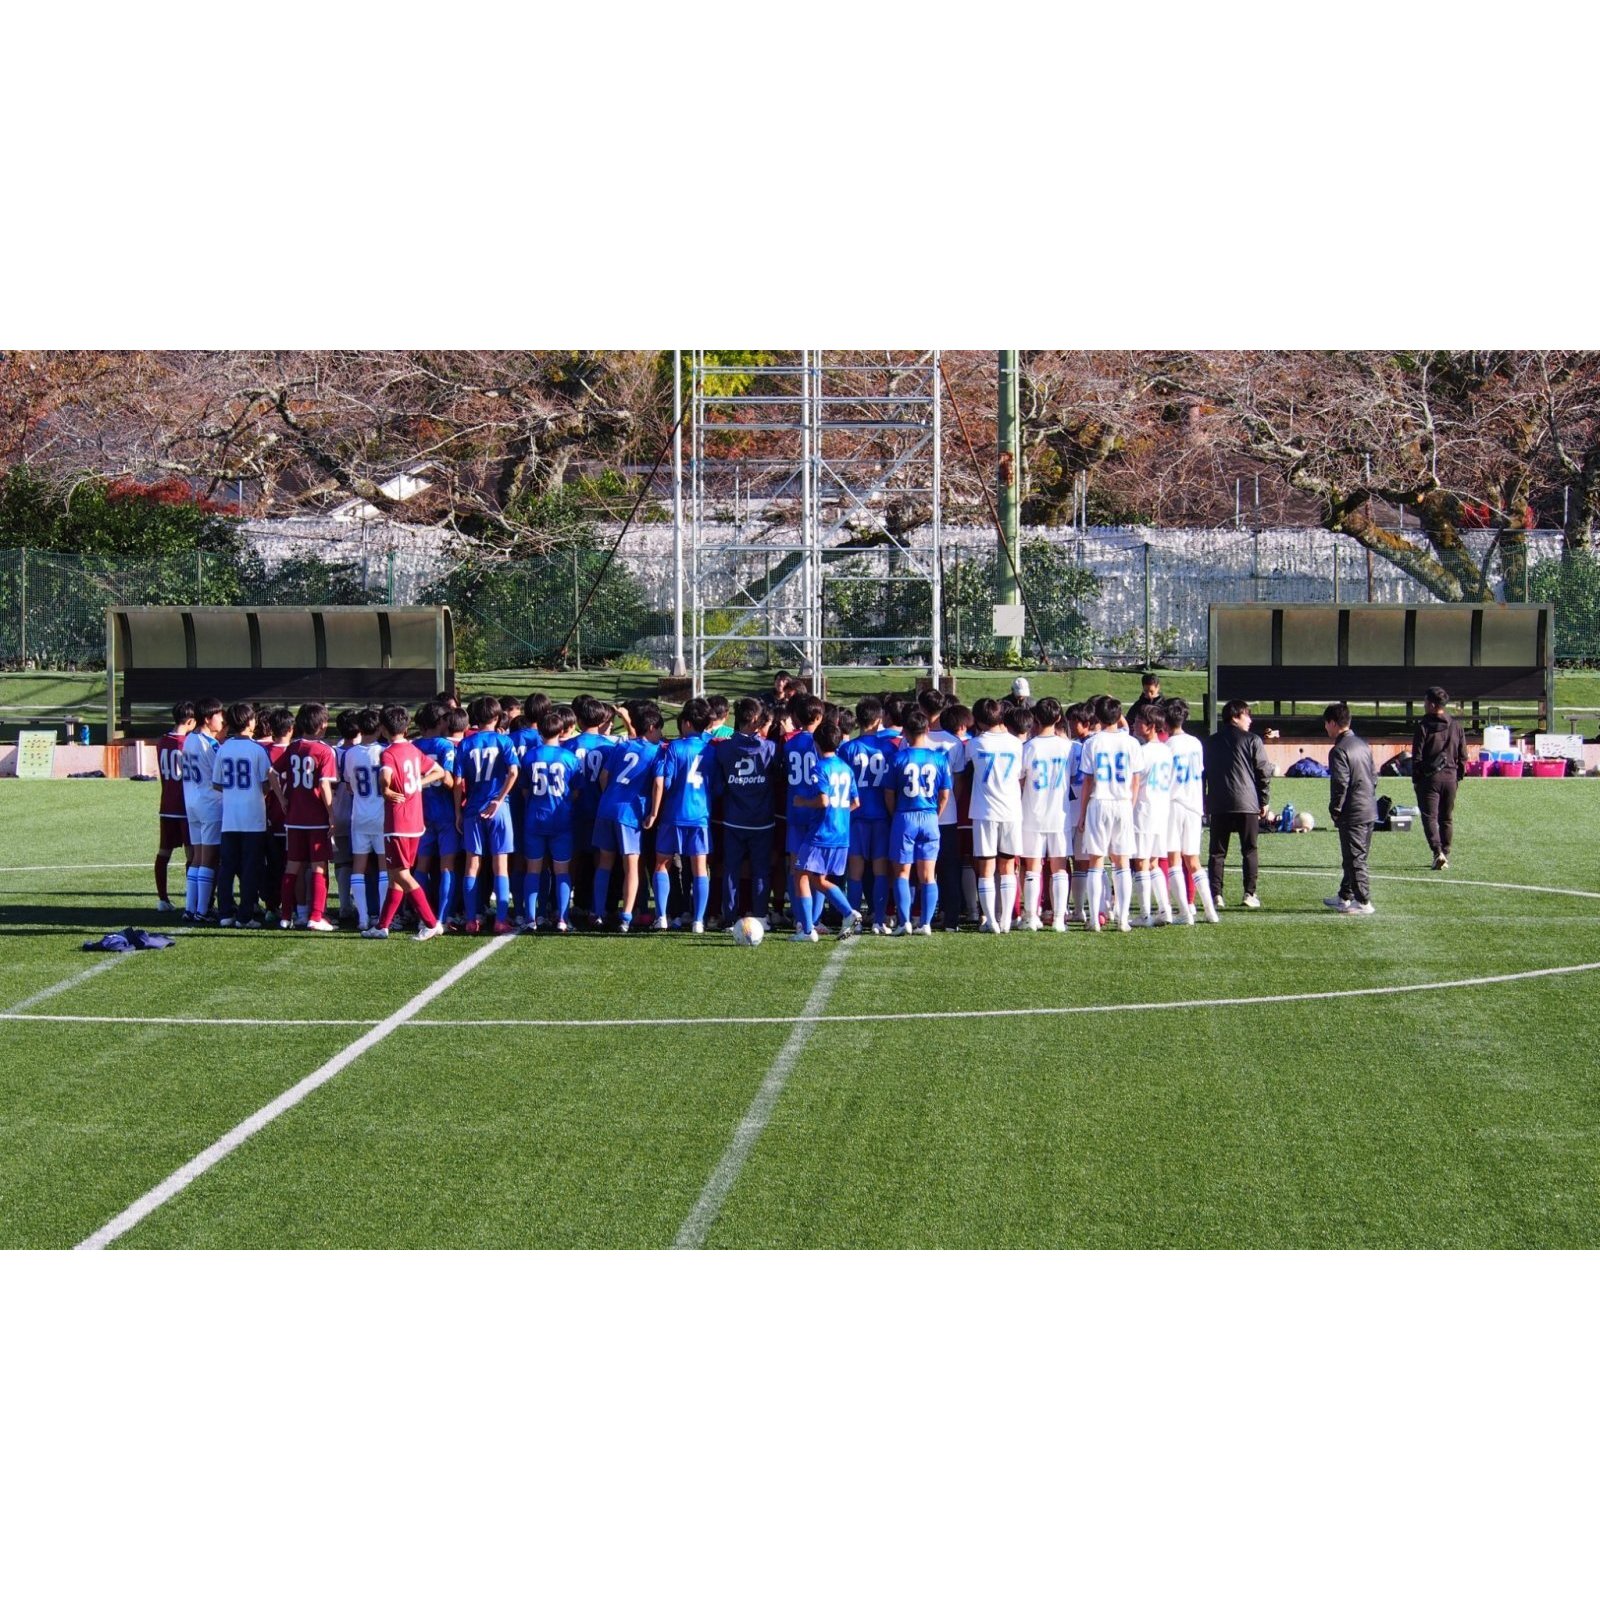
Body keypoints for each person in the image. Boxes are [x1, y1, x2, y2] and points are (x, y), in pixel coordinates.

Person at [365, 703, 449, 940]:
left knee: (402, 875)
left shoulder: (389, 752)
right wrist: (419, 783)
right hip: (414, 821)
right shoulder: (413, 749)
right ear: (406, 726)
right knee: (396, 876)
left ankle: (431, 922)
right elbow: (439, 771)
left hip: (398, 822)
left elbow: (386, 776)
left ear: (383, 728)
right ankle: (382, 926)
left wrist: (386, 789)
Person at [590, 704, 665, 932]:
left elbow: (604, 776)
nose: (661, 734)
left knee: (604, 862)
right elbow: (658, 784)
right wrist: (653, 813)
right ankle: (626, 917)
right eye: (659, 729)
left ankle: (597, 912)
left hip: (606, 808)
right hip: (629, 813)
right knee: (631, 865)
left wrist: (609, 796)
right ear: (651, 728)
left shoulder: (622, 746)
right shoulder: (655, 752)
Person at [707, 696, 779, 926]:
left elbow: (718, 785)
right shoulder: (771, 748)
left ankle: (730, 918)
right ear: (755, 719)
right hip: (762, 820)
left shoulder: (723, 749)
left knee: (731, 870)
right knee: (760, 871)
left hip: (734, 819)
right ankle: (760, 915)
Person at [788, 718, 861, 942]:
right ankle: (849, 913)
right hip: (841, 833)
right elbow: (856, 802)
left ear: (817, 744)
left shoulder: (820, 768)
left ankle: (807, 930)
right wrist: (840, 814)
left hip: (821, 832)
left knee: (800, 874)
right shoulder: (846, 768)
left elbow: (823, 801)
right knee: (819, 880)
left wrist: (802, 802)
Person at [1076, 696, 1144, 932]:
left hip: (1099, 802)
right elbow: (1136, 781)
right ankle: (1123, 919)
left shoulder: (1092, 743)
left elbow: (1088, 781)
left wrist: (1082, 813)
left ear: (1097, 716)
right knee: (1122, 862)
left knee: (1096, 862)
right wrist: (1130, 806)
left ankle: (1094, 919)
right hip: (1122, 803)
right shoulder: (1132, 743)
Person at [885, 708, 952, 935]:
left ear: (905, 731)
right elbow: (945, 794)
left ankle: (904, 922)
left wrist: (896, 814)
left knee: (902, 873)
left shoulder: (898, 758)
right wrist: (935, 814)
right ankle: (926, 923)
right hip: (930, 816)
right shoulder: (939, 759)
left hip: (905, 816)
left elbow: (889, 794)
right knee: (928, 875)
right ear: (927, 730)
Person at [456, 695, 520, 933]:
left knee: (472, 864)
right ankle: (501, 919)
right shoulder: (503, 741)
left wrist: (458, 811)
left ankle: (471, 919)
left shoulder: (465, 743)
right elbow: (513, 772)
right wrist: (499, 799)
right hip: (498, 809)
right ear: (496, 716)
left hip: (473, 808)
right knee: (500, 864)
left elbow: (457, 781)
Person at [520, 708, 585, 932]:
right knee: (562, 871)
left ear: (539, 730)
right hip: (561, 819)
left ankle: (530, 918)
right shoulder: (569, 758)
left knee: (533, 870)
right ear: (561, 731)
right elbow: (576, 791)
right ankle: (563, 919)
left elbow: (525, 790)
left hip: (535, 818)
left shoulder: (529, 756)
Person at [212, 702, 274, 927]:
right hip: (253, 818)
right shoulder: (257, 750)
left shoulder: (223, 748)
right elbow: (266, 783)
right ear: (249, 722)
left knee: (227, 867)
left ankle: (225, 912)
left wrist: (234, 792)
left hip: (230, 817)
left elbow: (217, 783)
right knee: (250, 867)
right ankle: (245, 915)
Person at [1205, 698, 1272, 910]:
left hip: (1219, 803)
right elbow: (1263, 772)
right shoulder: (1253, 740)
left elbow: (1203, 774)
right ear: (1235, 717)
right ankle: (1249, 893)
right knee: (1249, 849)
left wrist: (1205, 800)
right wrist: (1264, 800)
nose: (1250, 720)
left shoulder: (1211, 742)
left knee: (1217, 852)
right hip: (1247, 802)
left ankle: (1216, 895)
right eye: (1247, 715)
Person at [840, 697, 898, 933]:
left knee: (855, 871)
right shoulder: (889, 748)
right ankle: (878, 920)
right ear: (878, 719)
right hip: (881, 816)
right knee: (880, 870)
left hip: (855, 816)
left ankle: (853, 920)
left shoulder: (847, 749)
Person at [656, 700, 714, 932]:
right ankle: (699, 921)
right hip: (700, 815)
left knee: (662, 864)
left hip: (674, 814)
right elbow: (717, 786)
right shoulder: (711, 749)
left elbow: (667, 782)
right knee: (700, 869)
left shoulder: (675, 747)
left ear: (687, 723)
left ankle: (662, 917)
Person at [280, 701, 338, 931]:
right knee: (319, 867)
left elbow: (272, 773)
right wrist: (331, 814)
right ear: (322, 725)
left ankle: (286, 915)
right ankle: (316, 916)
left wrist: (283, 799)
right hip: (316, 818)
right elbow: (324, 785)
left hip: (295, 818)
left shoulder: (293, 747)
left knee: (292, 866)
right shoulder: (325, 750)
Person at [1019, 696, 1073, 932]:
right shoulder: (1068, 747)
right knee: (1059, 866)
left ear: (1035, 719)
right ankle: (1059, 918)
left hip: (1033, 813)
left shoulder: (1028, 747)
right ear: (1059, 718)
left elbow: (1020, 779)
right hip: (1059, 814)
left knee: (1033, 867)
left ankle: (1032, 916)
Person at [1163, 697, 1217, 925]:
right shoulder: (1196, 743)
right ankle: (1210, 910)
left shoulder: (1167, 746)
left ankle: (1185, 912)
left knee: (1174, 860)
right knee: (1194, 860)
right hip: (1194, 805)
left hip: (1174, 804)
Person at [1323, 702, 1378, 915]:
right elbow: (1374, 777)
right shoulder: (1363, 745)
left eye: (1326, 723)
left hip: (1353, 810)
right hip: (1368, 807)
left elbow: (1340, 783)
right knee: (1355, 856)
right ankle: (1344, 896)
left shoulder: (1339, 750)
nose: (1325, 728)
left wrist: (1335, 809)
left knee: (1354, 857)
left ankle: (1363, 901)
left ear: (1333, 723)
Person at [1411, 685, 1467, 870]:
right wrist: (1458, 776)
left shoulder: (1424, 726)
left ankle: (1437, 852)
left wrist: (1416, 778)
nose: (1424, 704)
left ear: (1433, 704)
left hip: (1430, 778)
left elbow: (1417, 756)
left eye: (1425, 701)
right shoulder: (1456, 726)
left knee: (1429, 817)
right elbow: (1463, 755)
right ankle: (1446, 852)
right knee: (1446, 818)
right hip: (1450, 777)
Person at [1129, 704, 1175, 927]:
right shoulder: (1166, 751)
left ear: (1151, 726)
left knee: (1141, 862)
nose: (1135, 724)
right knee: (1154, 862)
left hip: (1144, 811)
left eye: (1139, 721)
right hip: (1161, 810)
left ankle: (1145, 914)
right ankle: (1165, 909)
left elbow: (1135, 783)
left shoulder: (1142, 752)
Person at [180, 696, 226, 922]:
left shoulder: (189, 739)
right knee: (209, 858)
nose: (222, 719)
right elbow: (221, 773)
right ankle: (202, 911)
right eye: (219, 715)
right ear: (208, 719)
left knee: (197, 857)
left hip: (191, 801)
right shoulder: (211, 744)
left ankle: (190, 909)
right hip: (210, 804)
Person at [346, 706, 389, 931]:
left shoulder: (350, 753)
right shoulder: (385, 751)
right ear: (380, 727)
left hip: (360, 814)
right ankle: (383, 916)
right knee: (383, 867)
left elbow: (349, 786)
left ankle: (363, 918)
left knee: (358, 867)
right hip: (381, 814)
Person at [154, 700, 195, 913]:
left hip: (167, 805)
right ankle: (192, 897)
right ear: (190, 721)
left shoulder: (162, 741)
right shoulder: (187, 743)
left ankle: (162, 898)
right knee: (192, 854)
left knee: (164, 852)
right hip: (185, 806)